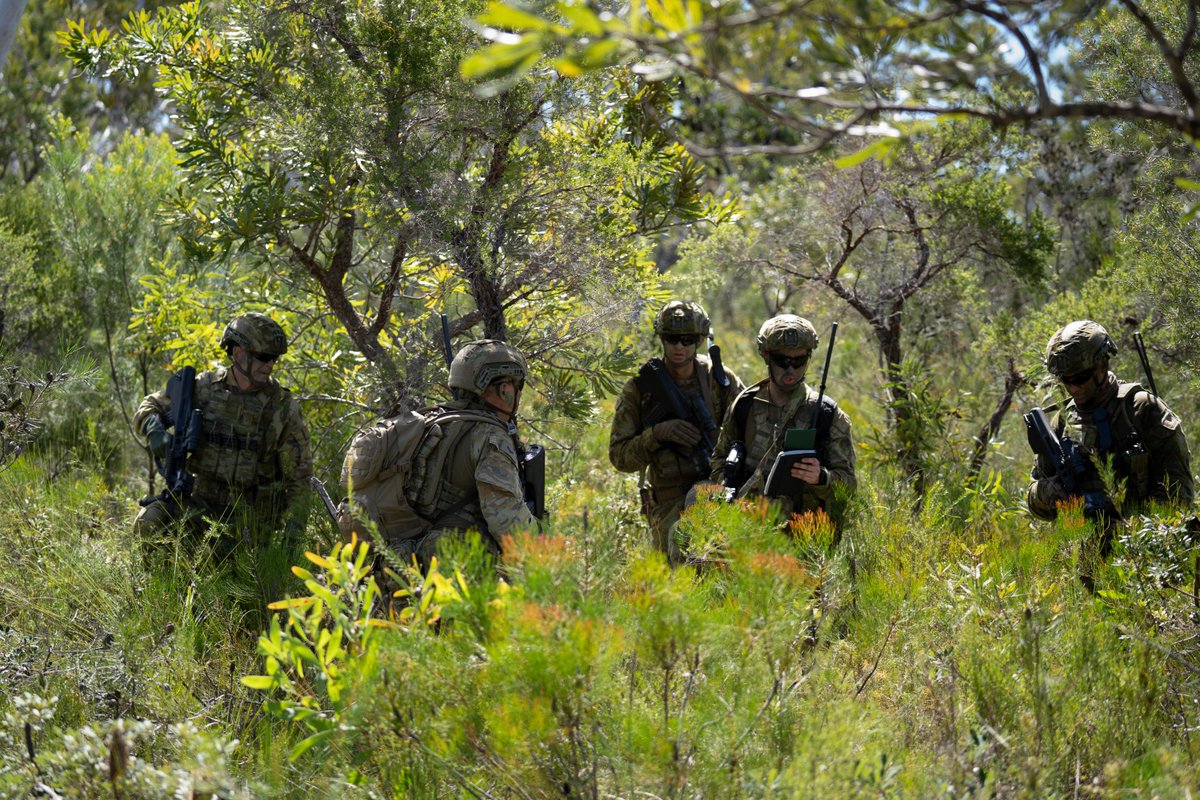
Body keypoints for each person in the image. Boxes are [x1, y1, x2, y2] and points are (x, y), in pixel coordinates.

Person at [133, 312, 313, 553]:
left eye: (274, 358)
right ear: (238, 354)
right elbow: (150, 406)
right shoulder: (204, 388)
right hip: (197, 509)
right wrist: (155, 430)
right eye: (263, 356)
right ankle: (160, 589)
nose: (270, 364)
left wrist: (292, 537)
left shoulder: (282, 408)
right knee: (150, 520)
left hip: (248, 526)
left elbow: (299, 481)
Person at [1026, 320, 1192, 545]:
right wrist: (1048, 492)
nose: (1073, 387)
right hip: (1084, 556)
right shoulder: (1061, 423)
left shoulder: (1142, 410)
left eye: (1080, 378)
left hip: (1146, 556)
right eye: (1066, 380)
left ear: (1102, 363)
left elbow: (1179, 495)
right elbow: (1035, 499)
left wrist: (1125, 533)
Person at [609, 301, 744, 563]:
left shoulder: (719, 380)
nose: (679, 346)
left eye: (688, 339)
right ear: (662, 338)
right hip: (667, 502)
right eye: (672, 338)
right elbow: (619, 457)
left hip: (713, 492)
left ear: (700, 340)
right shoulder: (640, 388)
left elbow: (746, 435)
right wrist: (657, 434)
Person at [707, 314, 856, 521]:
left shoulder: (826, 414)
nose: (790, 369)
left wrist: (821, 477)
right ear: (765, 356)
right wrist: (729, 487)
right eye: (782, 360)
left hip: (802, 534)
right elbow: (719, 459)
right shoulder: (745, 405)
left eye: (799, 360)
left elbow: (848, 484)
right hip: (745, 527)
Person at [405, 339, 539, 566]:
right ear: (504, 390)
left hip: (409, 559)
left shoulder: (433, 423)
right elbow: (509, 528)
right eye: (516, 387)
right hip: (456, 567)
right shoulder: (490, 438)